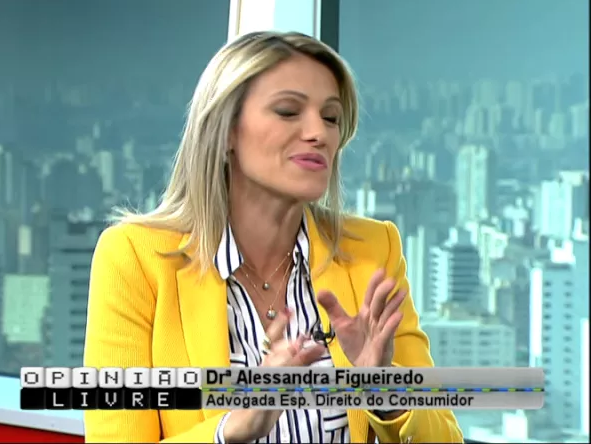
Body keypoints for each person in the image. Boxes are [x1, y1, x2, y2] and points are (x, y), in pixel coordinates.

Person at [83, 31, 464, 443]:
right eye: (288, 111)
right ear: (226, 131)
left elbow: (444, 436)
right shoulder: (136, 258)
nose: (319, 133)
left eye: (331, 117)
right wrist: (234, 427)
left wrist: (383, 389)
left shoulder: (373, 250)